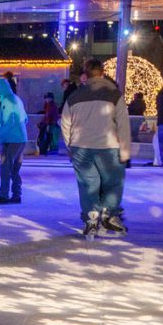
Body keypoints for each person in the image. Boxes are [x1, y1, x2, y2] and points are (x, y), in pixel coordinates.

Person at [59, 59, 131, 238]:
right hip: (108, 146)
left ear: (86, 75)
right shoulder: (114, 94)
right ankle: (109, 214)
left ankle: (91, 218)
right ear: (103, 72)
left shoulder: (74, 96)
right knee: (113, 183)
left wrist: (70, 145)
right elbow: (123, 125)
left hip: (81, 147)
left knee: (88, 183)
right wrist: (125, 151)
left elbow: (65, 123)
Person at [0, 78, 27, 204]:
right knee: (15, 168)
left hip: (12, 139)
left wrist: (1, 135)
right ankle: (16, 194)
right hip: (20, 138)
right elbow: (25, 118)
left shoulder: (8, 101)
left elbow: (10, 121)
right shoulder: (16, 99)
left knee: (5, 167)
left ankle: (3, 195)